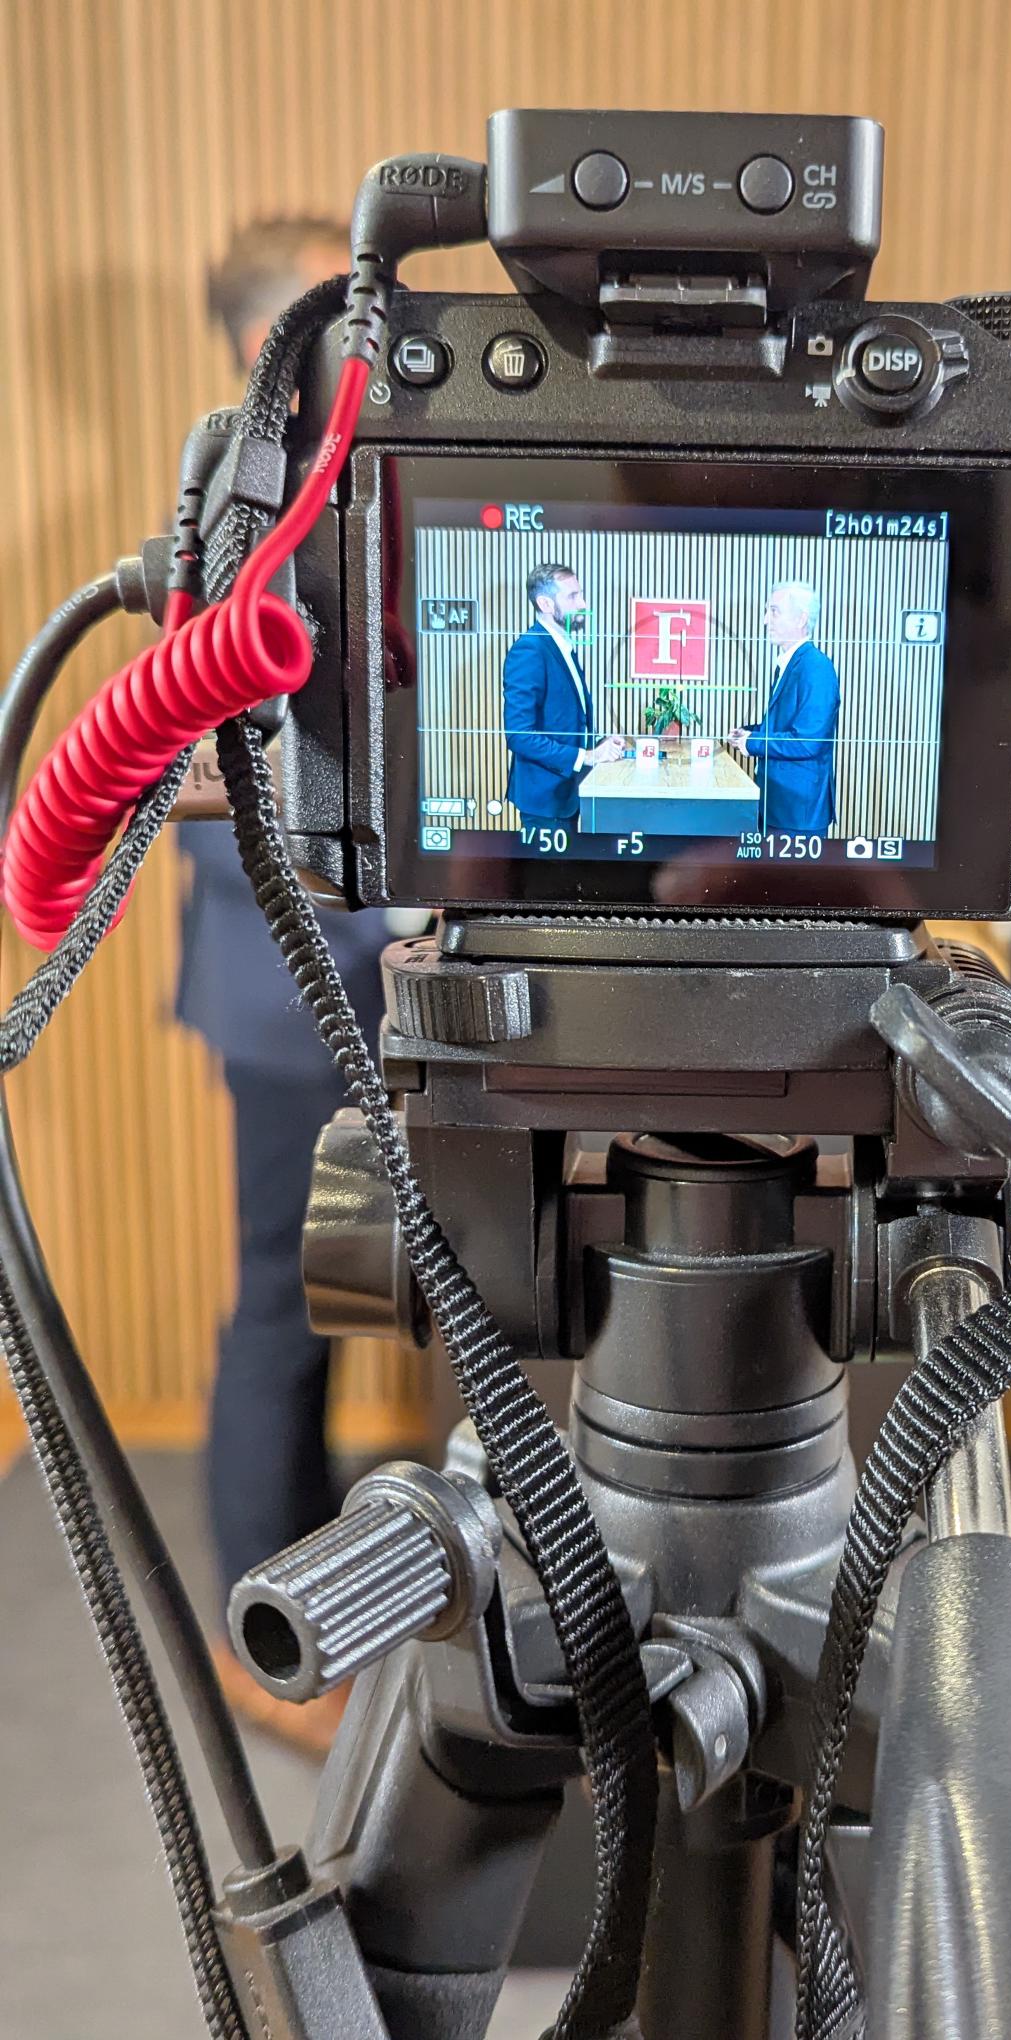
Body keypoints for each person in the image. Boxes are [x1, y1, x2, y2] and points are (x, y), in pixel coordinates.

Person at [179, 218, 393, 1754]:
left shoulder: (358, 488)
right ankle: (263, 1637)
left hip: (394, 991)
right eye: (348, 316)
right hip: (288, 992)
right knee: (282, 1303)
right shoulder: (227, 517)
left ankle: (340, 1589)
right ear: (282, 347)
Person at [503, 562, 623, 828]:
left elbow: (564, 721)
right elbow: (519, 736)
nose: (583, 604)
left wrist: (598, 745)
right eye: (573, 596)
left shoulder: (561, 646)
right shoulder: (530, 650)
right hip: (545, 801)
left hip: (566, 795)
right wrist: (588, 757)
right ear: (545, 603)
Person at [728, 580, 840, 834]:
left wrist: (753, 742)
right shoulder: (791, 665)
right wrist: (750, 733)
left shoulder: (816, 668)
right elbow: (786, 725)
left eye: (774, 611)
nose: (766, 620)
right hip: (778, 806)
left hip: (797, 814)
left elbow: (808, 741)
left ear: (801, 619)